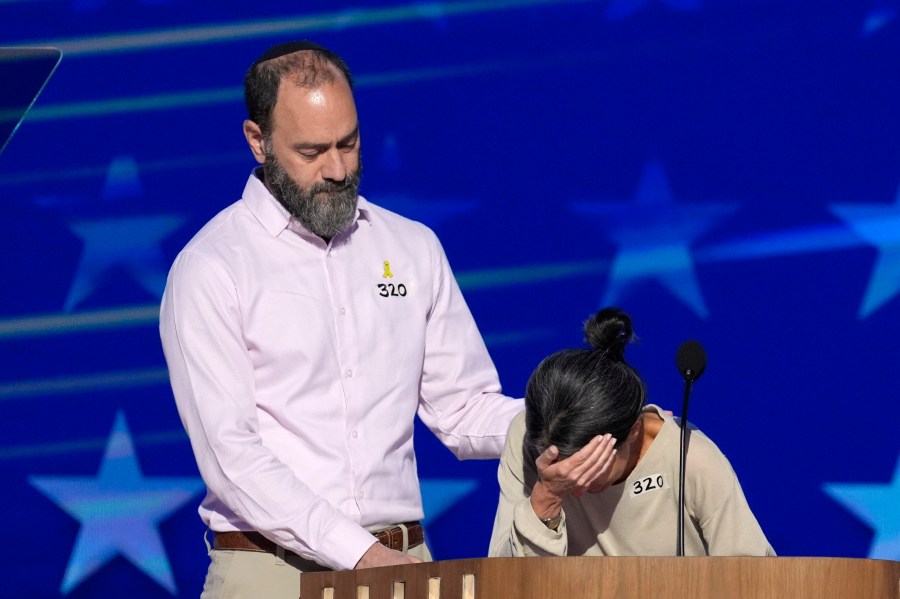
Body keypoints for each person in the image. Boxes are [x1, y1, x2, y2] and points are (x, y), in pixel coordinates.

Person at [159, 40, 522, 598]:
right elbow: (231, 456)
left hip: (403, 564)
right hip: (270, 574)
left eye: (349, 143)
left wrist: (571, 422)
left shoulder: (412, 246)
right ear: (258, 141)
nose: (337, 169)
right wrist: (360, 553)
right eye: (311, 151)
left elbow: (463, 408)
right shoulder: (211, 267)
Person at [488, 307, 774, 558]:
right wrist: (547, 497)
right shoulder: (526, 437)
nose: (573, 484)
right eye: (558, 466)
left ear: (634, 430)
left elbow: (751, 577)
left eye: (588, 465)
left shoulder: (692, 459)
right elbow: (501, 583)